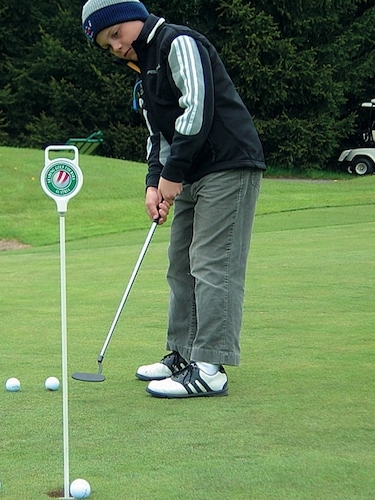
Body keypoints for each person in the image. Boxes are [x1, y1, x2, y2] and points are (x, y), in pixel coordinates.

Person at [81, 0, 266, 398]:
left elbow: (196, 109)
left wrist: (172, 173)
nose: (115, 46)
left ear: (133, 16)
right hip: (191, 172)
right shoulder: (143, 71)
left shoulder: (176, 42)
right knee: (180, 264)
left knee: (212, 264)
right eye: (105, 44)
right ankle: (183, 353)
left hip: (228, 163)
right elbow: (158, 137)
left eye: (115, 34)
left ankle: (210, 367)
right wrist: (154, 182)